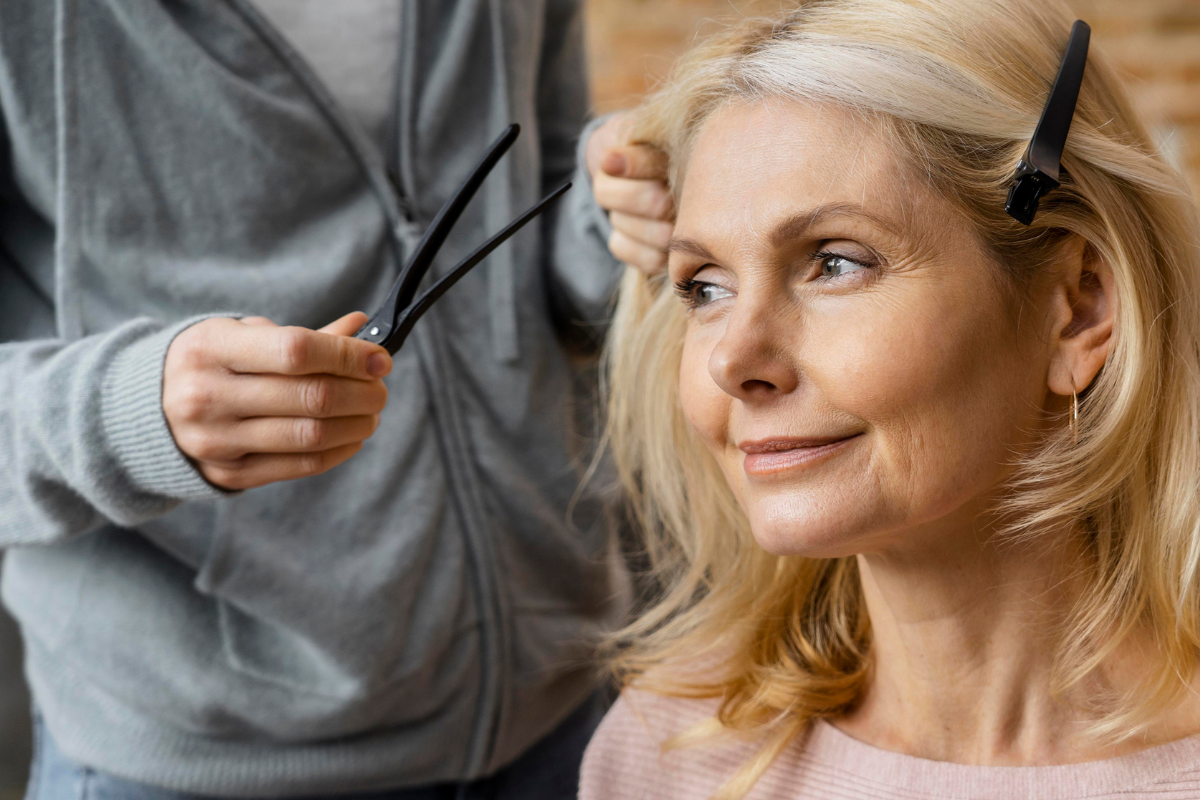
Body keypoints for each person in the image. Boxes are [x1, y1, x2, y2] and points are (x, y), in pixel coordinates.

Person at [0, 1, 671, 798]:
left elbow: (544, 201)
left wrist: (613, 222)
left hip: (565, 699)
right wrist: (128, 415)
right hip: (203, 758)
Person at [579, 0, 1200, 797]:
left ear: (1077, 309)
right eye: (705, 286)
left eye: (836, 262)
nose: (734, 358)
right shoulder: (667, 753)